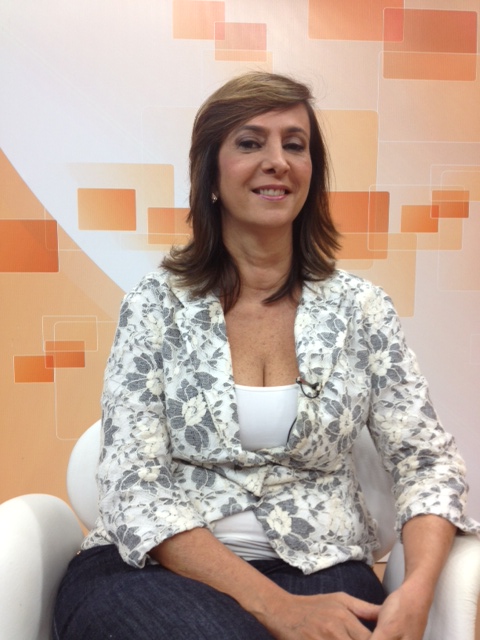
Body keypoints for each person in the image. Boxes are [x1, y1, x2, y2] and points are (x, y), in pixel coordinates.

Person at [53, 71, 479, 640]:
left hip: (321, 569)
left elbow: (427, 463)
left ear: (311, 173)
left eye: (294, 145)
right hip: (153, 572)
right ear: (210, 176)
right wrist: (276, 609)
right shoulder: (155, 306)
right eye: (251, 143)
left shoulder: (362, 310)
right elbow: (135, 484)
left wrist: (417, 592)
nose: (277, 161)